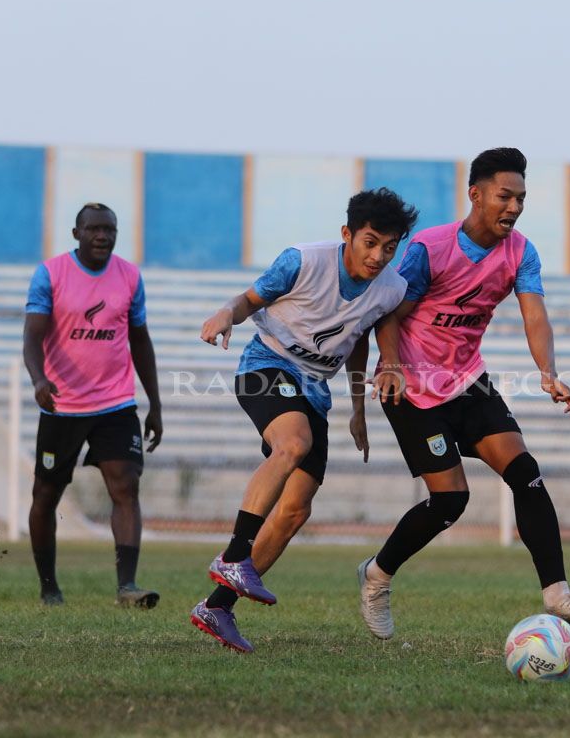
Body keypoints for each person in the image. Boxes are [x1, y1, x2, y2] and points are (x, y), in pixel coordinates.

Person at [357, 147, 570, 641]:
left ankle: (557, 595)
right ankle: (376, 576)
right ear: (475, 195)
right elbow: (389, 314)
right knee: (451, 501)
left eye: (520, 198)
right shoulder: (430, 248)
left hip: (468, 380)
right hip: (411, 387)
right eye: (504, 196)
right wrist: (389, 366)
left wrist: (548, 372)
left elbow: (534, 315)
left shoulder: (521, 252)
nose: (513, 207)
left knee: (525, 472)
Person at [190, 188, 419, 653]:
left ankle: (216, 607)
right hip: (265, 365)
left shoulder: (391, 288)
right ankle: (235, 555)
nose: (378, 256)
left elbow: (361, 338)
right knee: (291, 445)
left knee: (295, 509)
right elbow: (250, 299)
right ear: (347, 234)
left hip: (315, 390)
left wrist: (358, 411)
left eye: (389, 247)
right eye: (370, 242)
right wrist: (225, 313)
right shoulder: (302, 261)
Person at [23, 202, 163, 607]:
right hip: (62, 405)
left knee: (126, 485)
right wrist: (38, 379)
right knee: (46, 495)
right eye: (94, 229)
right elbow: (32, 337)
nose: (102, 236)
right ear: (77, 233)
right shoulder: (50, 274)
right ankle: (49, 587)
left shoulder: (130, 276)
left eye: (110, 229)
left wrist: (154, 403)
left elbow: (140, 340)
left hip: (115, 404)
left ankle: (127, 587)